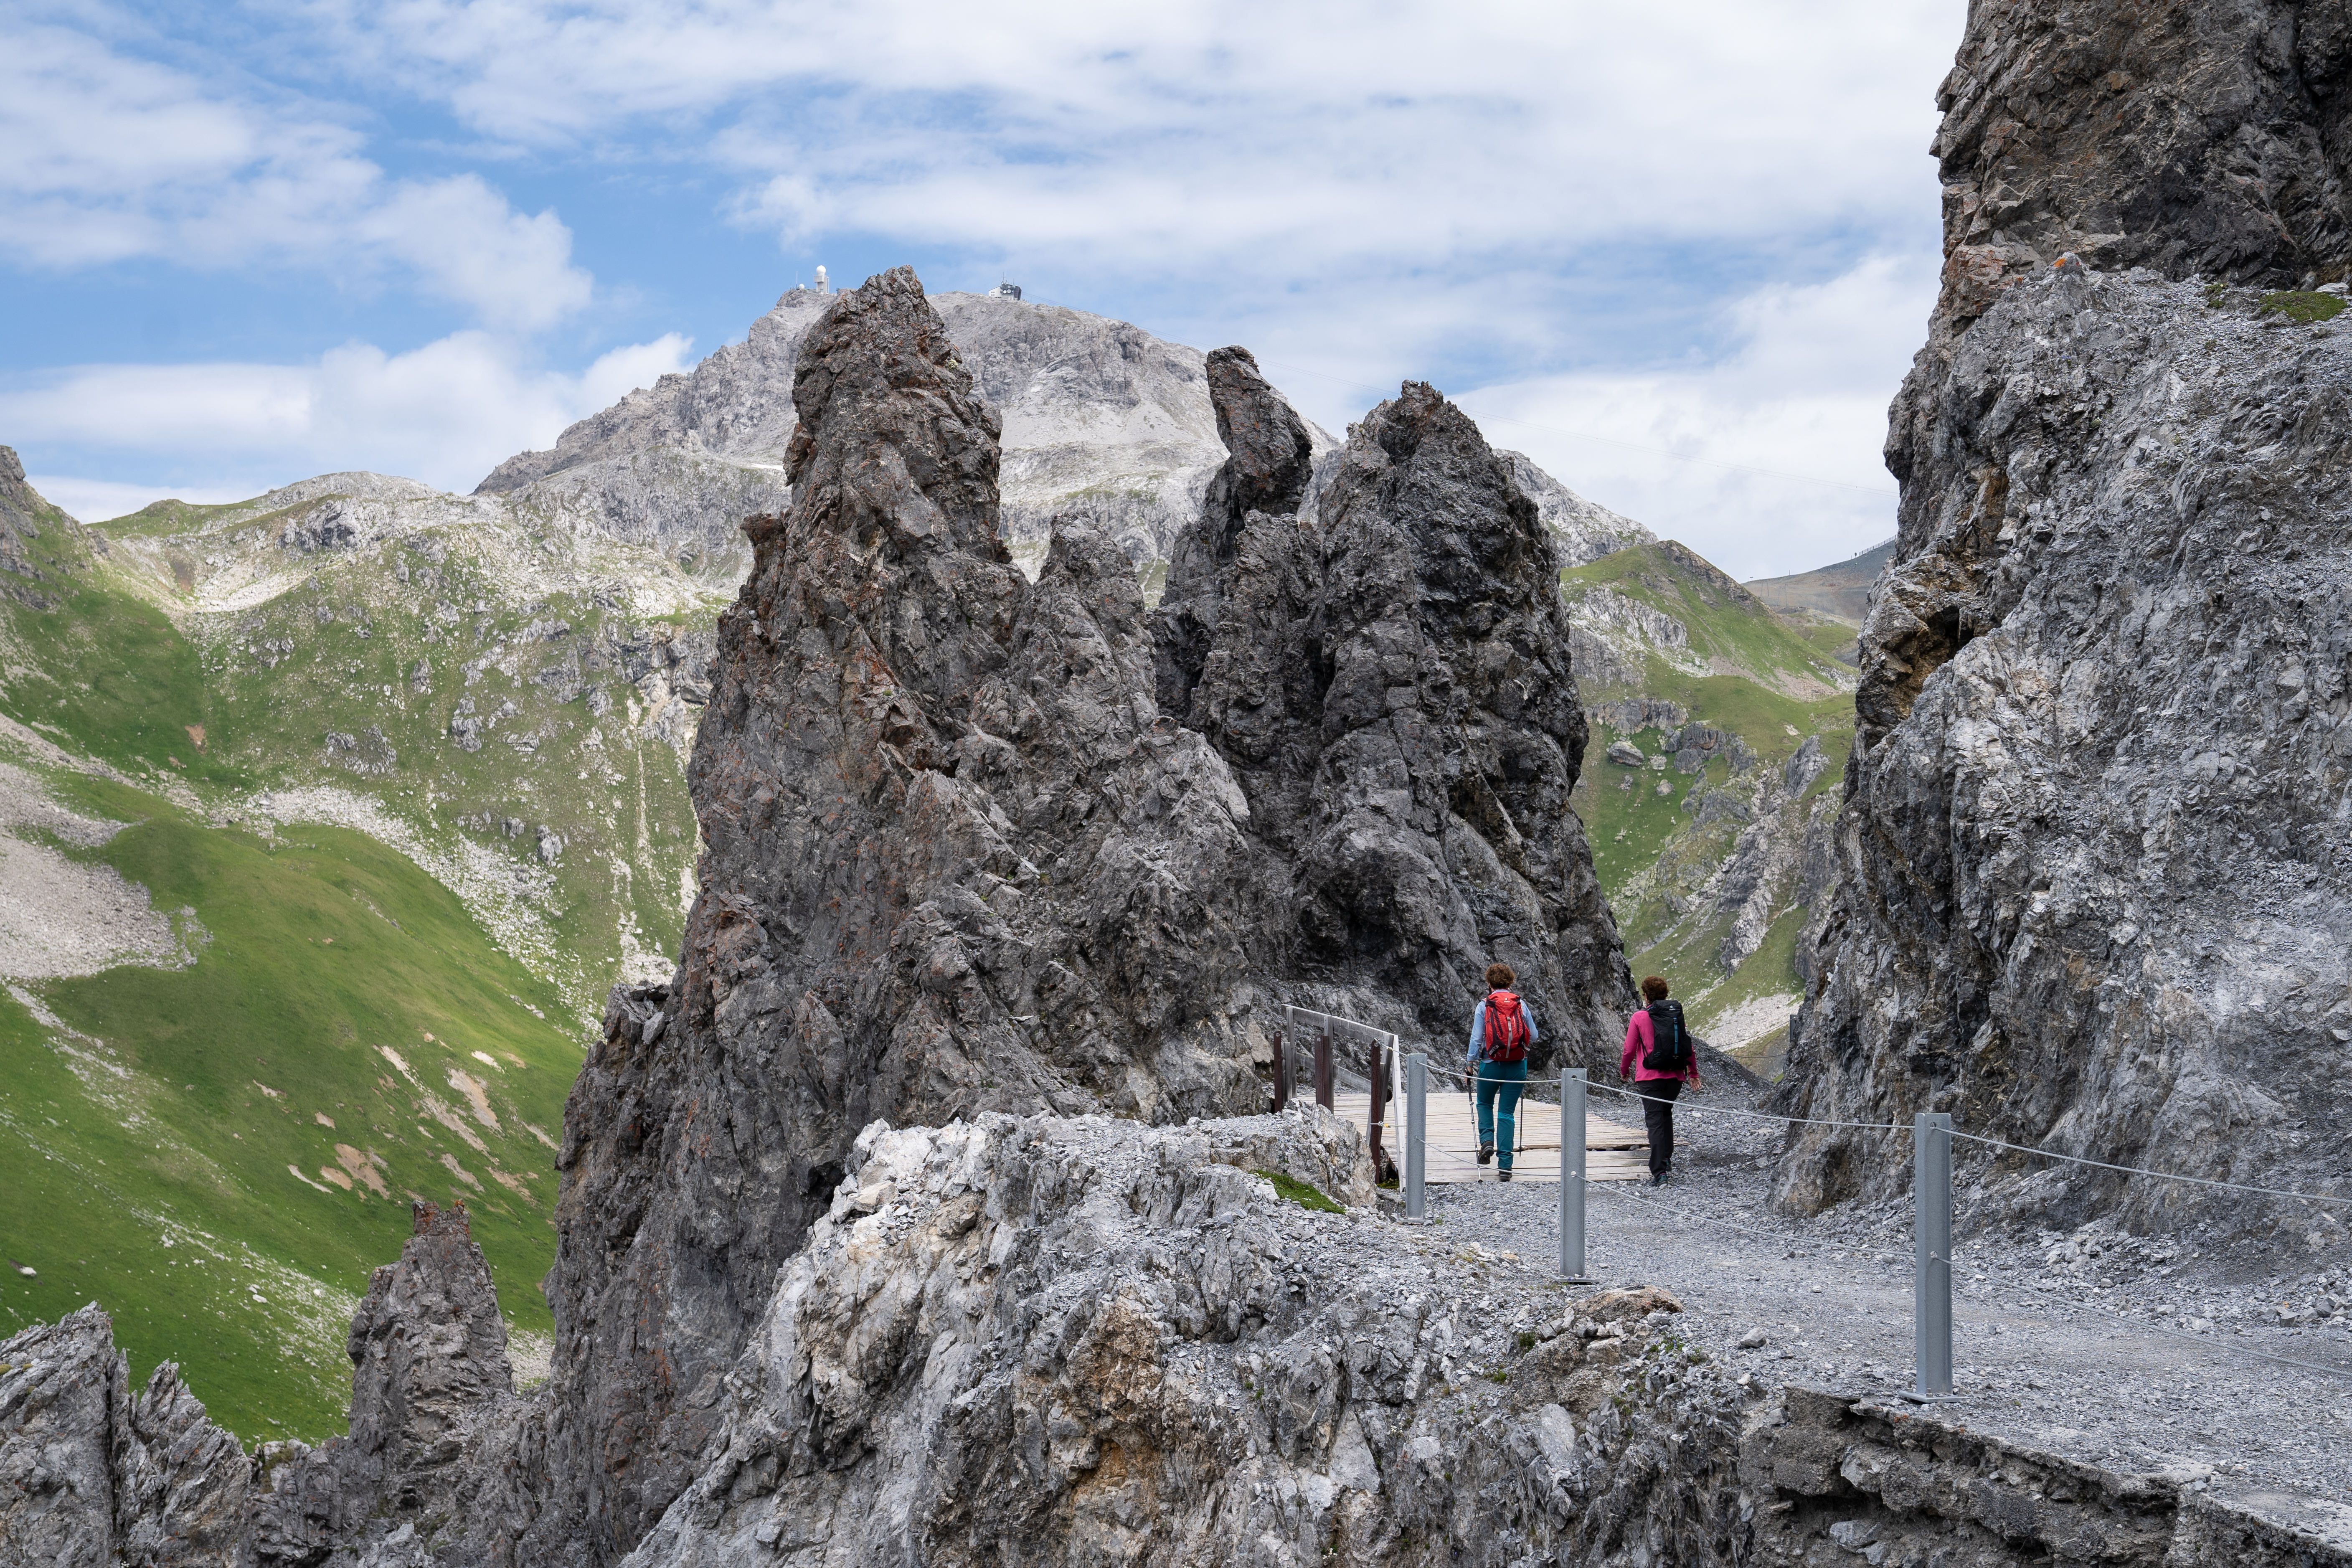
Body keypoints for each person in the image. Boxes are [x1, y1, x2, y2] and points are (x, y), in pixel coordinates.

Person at [1620, 975, 1701, 1186]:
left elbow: (1629, 1049)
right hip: (1675, 1077)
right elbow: (1687, 1045)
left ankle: (1660, 1172)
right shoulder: (1674, 1016)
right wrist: (1693, 1073)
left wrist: (1624, 1071)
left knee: (1655, 1121)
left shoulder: (1639, 1017)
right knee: (1666, 1115)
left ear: (1646, 996)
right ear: (1665, 994)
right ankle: (1666, 1158)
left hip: (1649, 1078)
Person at [1467, 963, 1538, 1182]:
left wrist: (1470, 1063)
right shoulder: (1520, 1005)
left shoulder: (1484, 1006)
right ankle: (1506, 1166)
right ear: (1510, 982)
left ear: (1489, 983)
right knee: (1507, 1114)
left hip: (1490, 1064)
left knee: (1485, 1104)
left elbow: (1477, 1039)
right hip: (1517, 1066)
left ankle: (1487, 1141)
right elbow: (1534, 1036)